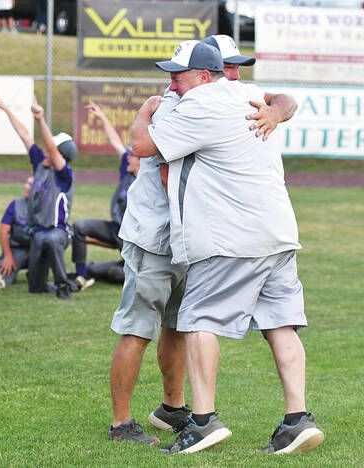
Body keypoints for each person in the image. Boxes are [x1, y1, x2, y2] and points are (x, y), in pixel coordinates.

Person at [130, 39, 323, 454]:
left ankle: (202, 421)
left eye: (177, 76)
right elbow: (286, 99)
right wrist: (277, 112)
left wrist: (146, 112)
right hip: (278, 233)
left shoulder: (198, 104)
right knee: (281, 322)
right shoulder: (247, 93)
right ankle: (297, 418)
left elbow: (142, 146)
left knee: (199, 318)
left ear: (202, 76)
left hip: (229, 236)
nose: (172, 83)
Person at [0, 94, 76, 300]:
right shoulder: (40, 164)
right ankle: (51, 283)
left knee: (53, 239)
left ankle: (63, 287)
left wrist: (40, 119)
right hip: (37, 234)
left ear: (61, 156)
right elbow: (24, 134)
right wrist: (6, 108)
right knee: (35, 288)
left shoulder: (64, 174)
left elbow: (51, 148)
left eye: (51, 148)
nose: (46, 149)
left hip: (58, 232)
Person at [71, 100, 139, 287]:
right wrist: (101, 117)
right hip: (116, 228)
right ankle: (81, 274)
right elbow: (116, 142)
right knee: (79, 227)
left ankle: (109, 269)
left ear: (140, 160)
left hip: (133, 236)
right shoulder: (127, 170)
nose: (127, 157)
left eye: (132, 155)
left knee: (118, 274)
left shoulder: (148, 180)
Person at [0, 176, 33, 285]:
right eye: (26, 183)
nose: (25, 186)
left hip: (37, 250)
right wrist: (8, 256)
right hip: (17, 248)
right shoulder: (15, 205)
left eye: (30, 184)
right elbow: (3, 231)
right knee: (2, 280)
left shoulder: (47, 206)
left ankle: (35, 272)